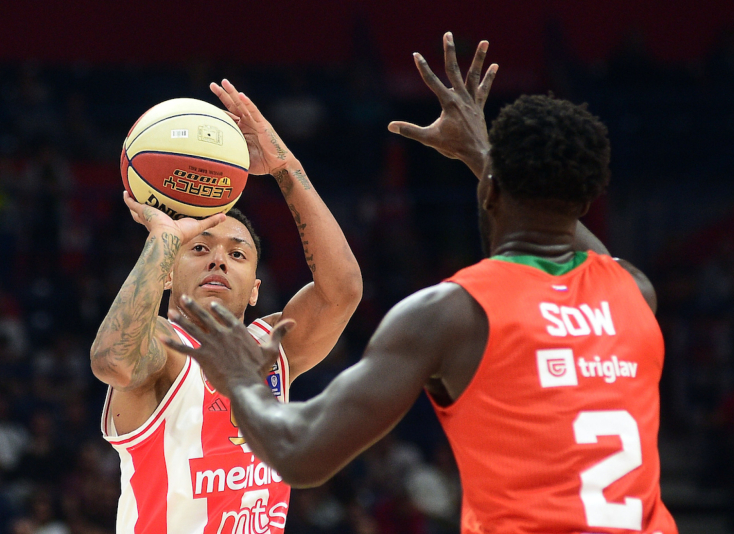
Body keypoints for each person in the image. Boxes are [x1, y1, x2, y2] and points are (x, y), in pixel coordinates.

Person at [164, 33, 679, 534]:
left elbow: (300, 455)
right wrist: (484, 156)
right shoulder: (634, 292)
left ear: (490, 192)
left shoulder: (451, 314)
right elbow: (583, 249)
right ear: (587, 201)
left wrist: (240, 377)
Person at [89, 80, 362, 533]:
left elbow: (343, 290)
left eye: (237, 254)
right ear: (167, 272)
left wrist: (285, 167)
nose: (219, 259)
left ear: (255, 289)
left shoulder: (273, 349)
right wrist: (164, 238)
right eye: (200, 248)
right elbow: (111, 360)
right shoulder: (164, 349)